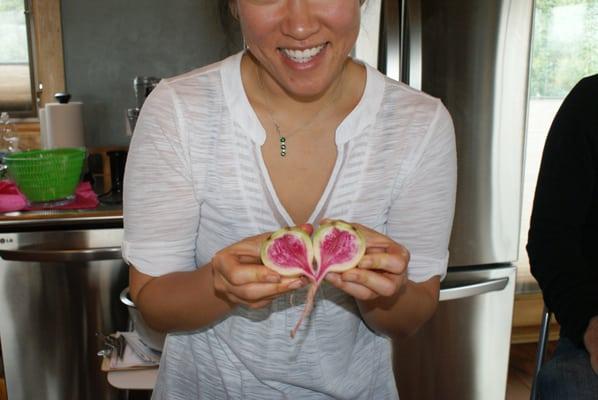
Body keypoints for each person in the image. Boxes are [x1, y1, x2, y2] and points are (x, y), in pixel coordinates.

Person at [122, 1, 457, 398]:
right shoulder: (177, 111)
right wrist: (219, 286)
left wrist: (389, 292)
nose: (300, 25)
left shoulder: (421, 124)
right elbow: (152, 301)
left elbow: (411, 316)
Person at [526, 74, 598, 399]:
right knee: (569, 387)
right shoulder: (590, 102)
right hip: (592, 324)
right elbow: (550, 238)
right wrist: (590, 322)